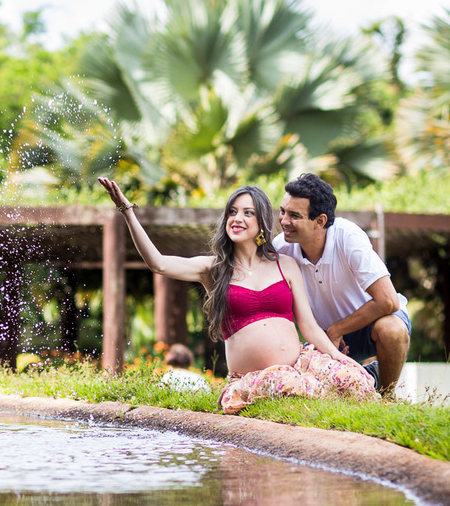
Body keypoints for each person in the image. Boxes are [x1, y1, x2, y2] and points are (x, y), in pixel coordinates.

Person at [97, 177, 378, 414]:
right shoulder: (213, 269)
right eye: (232, 212)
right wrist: (126, 210)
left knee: (357, 380)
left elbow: (309, 327)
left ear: (261, 224)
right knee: (290, 385)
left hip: (299, 362)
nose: (237, 218)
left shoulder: (285, 264)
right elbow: (158, 262)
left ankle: (345, 383)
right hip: (253, 378)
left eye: (247, 213)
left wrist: (340, 359)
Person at [274, 173, 411, 393]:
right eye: (282, 211)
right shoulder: (281, 248)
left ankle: (387, 397)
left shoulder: (349, 237)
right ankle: (370, 376)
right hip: (324, 335)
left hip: (370, 324)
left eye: (294, 215)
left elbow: (388, 301)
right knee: (310, 391)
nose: (283, 221)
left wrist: (337, 330)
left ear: (320, 221)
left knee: (392, 329)